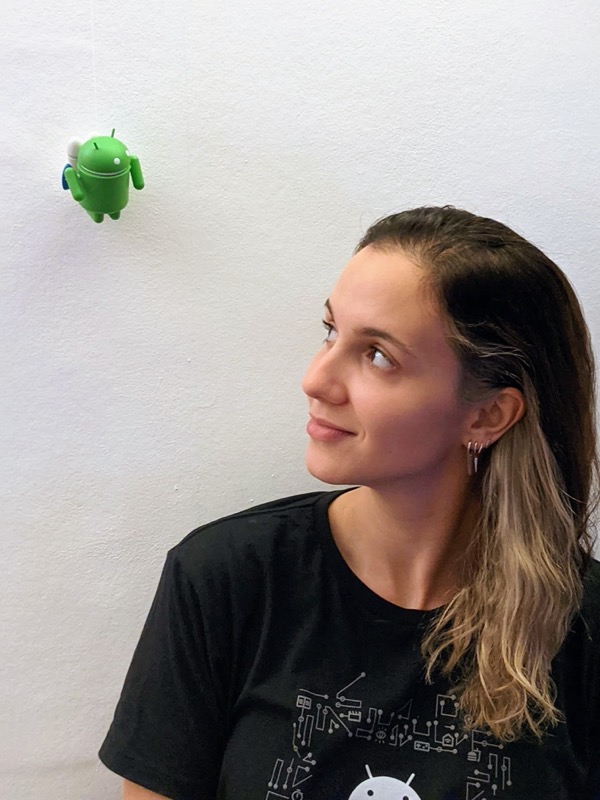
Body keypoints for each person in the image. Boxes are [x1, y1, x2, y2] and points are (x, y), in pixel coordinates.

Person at [99, 206, 600, 800]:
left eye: (378, 355)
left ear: (488, 414)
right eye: (331, 331)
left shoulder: (583, 629)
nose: (315, 379)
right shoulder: (225, 580)